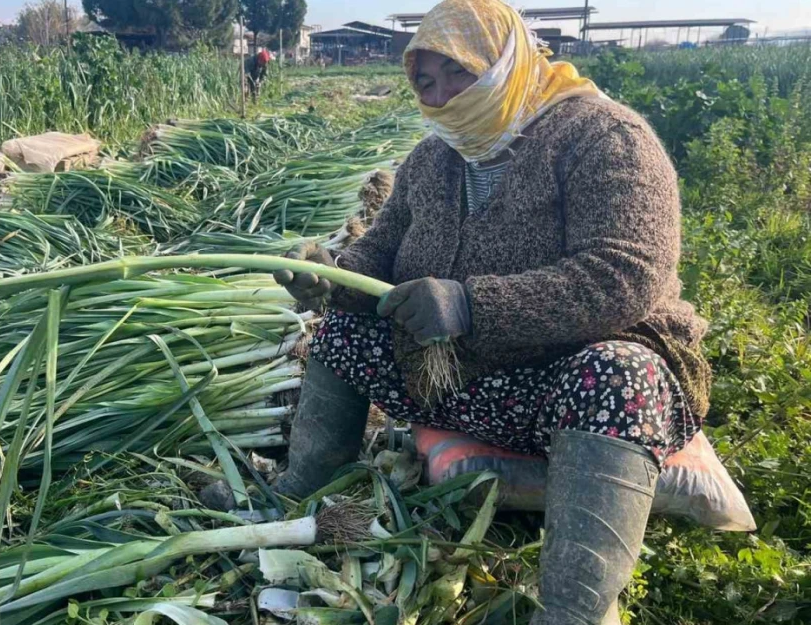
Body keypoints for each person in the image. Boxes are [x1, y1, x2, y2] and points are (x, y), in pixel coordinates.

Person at [269, 0, 711, 623]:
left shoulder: (602, 137)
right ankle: (302, 491)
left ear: (507, 62)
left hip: (570, 391)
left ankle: (573, 610)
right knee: (344, 330)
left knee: (617, 374)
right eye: (427, 80)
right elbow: (378, 250)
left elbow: (627, 274)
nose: (444, 94)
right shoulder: (433, 159)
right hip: (458, 383)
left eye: (462, 72)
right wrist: (327, 278)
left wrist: (470, 304)